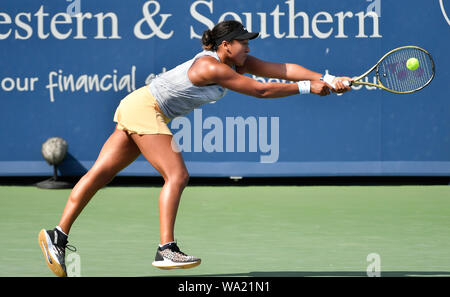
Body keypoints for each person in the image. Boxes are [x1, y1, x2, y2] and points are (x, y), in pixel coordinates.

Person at [38, 19, 351, 276]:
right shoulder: (210, 67)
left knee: (101, 173)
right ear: (225, 45)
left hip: (139, 105)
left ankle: (57, 235)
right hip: (147, 108)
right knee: (177, 175)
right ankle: (166, 249)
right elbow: (261, 90)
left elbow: (282, 70)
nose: (249, 47)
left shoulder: (238, 62)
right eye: (243, 42)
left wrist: (329, 77)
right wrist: (309, 88)